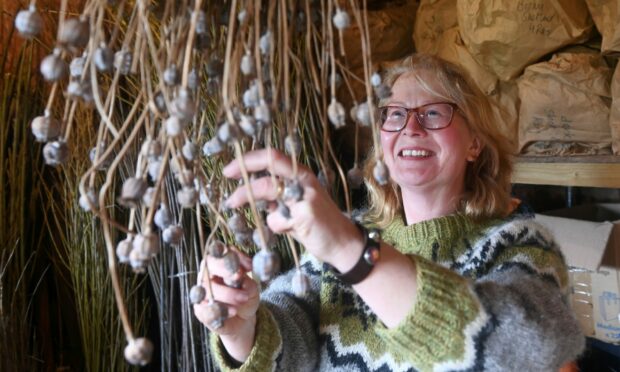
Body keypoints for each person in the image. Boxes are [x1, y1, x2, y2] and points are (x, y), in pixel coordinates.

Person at [193, 54, 585, 371]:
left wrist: (351, 251)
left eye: (434, 113)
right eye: (394, 114)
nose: (410, 127)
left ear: (475, 144)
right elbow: (290, 342)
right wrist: (242, 328)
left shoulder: (521, 245)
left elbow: (529, 353)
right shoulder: (342, 240)